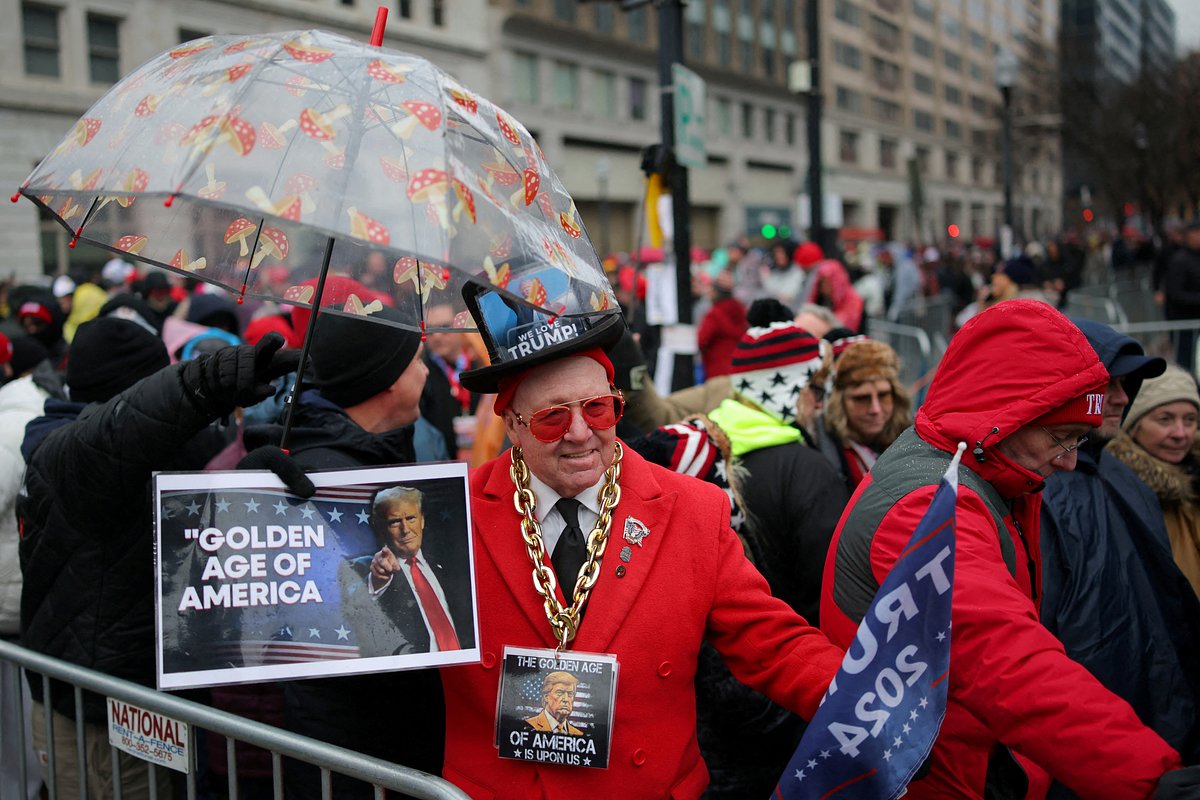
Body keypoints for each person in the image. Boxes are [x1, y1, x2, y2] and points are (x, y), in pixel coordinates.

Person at [444, 292, 844, 798]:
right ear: (513, 426)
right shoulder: (450, 513)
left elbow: (774, 645)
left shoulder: (694, 509)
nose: (581, 433)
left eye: (599, 409)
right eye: (551, 419)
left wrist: (867, 702)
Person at [821, 299, 1186, 798]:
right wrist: (1151, 779)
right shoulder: (928, 505)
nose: (1071, 463)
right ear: (1005, 418)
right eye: (1063, 438)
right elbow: (1009, 664)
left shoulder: (968, 466)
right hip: (940, 778)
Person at [18, 319, 299, 800]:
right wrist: (205, 380)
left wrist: (239, 482)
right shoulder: (65, 451)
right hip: (102, 717)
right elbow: (113, 436)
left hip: (156, 703)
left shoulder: (130, 459)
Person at [244, 308, 446, 800]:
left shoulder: (381, 454)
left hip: (383, 737)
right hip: (351, 752)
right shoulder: (318, 480)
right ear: (386, 382)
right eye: (417, 360)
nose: (426, 372)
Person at [1041, 321, 1200, 774]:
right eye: (1106, 384)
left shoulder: (1120, 476)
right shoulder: (1039, 490)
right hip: (1083, 743)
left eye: (1126, 384)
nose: (1122, 398)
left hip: (1155, 722)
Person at [707, 322, 849, 622]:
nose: (821, 405)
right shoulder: (809, 471)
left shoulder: (701, 451)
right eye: (816, 389)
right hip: (788, 642)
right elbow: (827, 588)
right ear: (784, 389)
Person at [1107, 365, 1200, 602]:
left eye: (1190, 420)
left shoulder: (1194, 483)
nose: (1180, 433)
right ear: (1134, 426)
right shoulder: (1118, 490)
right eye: (1165, 419)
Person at [345, 486, 472, 656]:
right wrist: (378, 581)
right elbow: (355, 609)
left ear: (422, 521)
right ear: (381, 527)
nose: (405, 530)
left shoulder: (451, 565)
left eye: (411, 518)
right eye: (395, 522)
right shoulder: (363, 568)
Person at [805, 339, 913, 490]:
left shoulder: (914, 444)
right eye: (861, 398)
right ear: (839, 402)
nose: (875, 409)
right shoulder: (820, 451)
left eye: (883, 395)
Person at [1164, 220, 1200, 372]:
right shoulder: (1179, 260)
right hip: (1184, 324)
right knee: (1187, 364)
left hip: (1194, 322)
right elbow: (1175, 294)